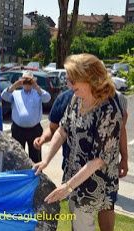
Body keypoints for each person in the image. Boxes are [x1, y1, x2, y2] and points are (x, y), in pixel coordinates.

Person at [33, 53, 123, 231]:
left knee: (82, 225)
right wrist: (46, 160)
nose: (68, 84)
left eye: (73, 80)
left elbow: (98, 160)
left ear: (90, 78)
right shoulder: (76, 99)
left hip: (95, 185)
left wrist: (67, 187)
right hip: (74, 179)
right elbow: (62, 129)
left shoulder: (109, 110)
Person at [1, 71, 51, 163]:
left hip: (35, 129)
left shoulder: (38, 93)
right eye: (25, 81)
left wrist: (36, 87)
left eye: (29, 81)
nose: (27, 83)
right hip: (18, 129)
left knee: (35, 156)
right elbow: (4, 96)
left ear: (33, 82)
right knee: (17, 156)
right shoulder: (16, 93)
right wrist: (15, 85)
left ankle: (36, 176)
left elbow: (47, 98)